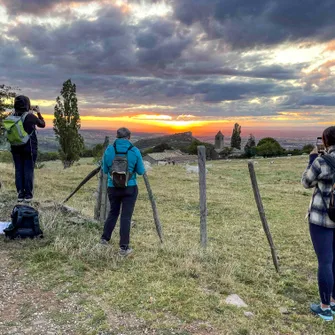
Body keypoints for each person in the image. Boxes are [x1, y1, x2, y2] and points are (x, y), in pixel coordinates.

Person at [302, 126, 335, 321]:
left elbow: (306, 182)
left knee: (325, 261)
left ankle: (324, 308)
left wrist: (312, 160)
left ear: (324, 141)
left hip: (322, 218)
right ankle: (333, 302)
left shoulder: (322, 161)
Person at [101, 127, 145, 256]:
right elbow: (141, 171)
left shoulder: (109, 150)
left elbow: (104, 170)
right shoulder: (134, 151)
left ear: (117, 136)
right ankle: (124, 248)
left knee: (113, 213)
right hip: (129, 187)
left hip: (112, 187)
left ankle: (104, 239)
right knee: (126, 217)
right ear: (129, 137)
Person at [11, 95, 45, 202]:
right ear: (27, 104)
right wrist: (38, 112)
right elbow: (42, 124)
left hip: (15, 147)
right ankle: (28, 196)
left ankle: (20, 194)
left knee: (19, 170)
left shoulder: (12, 116)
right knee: (28, 170)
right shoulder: (30, 117)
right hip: (29, 148)